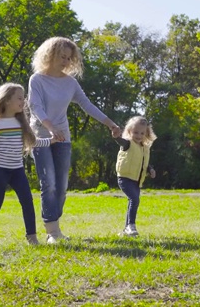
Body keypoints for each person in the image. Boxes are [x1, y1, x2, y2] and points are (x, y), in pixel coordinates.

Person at [28, 36, 121, 244]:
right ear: (49, 55)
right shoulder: (37, 80)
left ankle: (55, 228)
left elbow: (87, 105)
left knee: (61, 187)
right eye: (62, 56)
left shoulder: (70, 83)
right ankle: (52, 231)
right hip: (42, 137)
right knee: (49, 183)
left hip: (63, 138)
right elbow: (35, 107)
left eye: (69, 58)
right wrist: (50, 128)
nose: (66, 62)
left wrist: (111, 124)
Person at [0, 83, 58, 246]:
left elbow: (34, 142)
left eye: (23, 98)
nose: (23, 102)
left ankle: (32, 238)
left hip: (17, 171)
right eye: (19, 98)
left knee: (27, 202)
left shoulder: (21, 124)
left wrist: (52, 141)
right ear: (7, 100)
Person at [113, 116, 157, 236]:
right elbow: (120, 141)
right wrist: (116, 136)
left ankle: (127, 229)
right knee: (134, 199)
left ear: (146, 133)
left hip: (136, 181)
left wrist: (151, 169)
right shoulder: (128, 143)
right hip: (125, 178)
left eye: (142, 133)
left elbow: (144, 163)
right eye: (135, 132)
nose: (138, 135)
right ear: (129, 131)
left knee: (133, 201)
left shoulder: (144, 148)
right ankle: (131, 225)